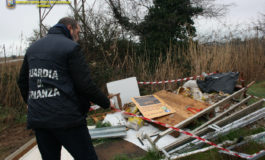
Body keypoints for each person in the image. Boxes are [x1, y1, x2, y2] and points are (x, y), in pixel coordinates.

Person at [17, 17, 112, 160]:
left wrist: (31, 103)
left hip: (40, 120)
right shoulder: (71, 47)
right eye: (78, 32)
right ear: (69, 28)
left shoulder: (32, 48)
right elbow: (85, 84)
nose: (78, 37)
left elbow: (22, 81)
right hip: (67, 119)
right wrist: (105, 102)